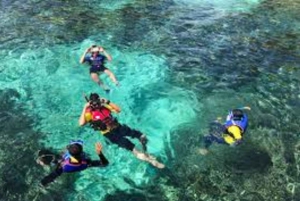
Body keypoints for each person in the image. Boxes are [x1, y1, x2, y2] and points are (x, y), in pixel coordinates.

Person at [79, 93, 165, 169]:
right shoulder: (89, 113)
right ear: (90, 103)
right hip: (109, 134)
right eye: (94, 103)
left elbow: (118, 110)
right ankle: (151, 161)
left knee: (141, 136)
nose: (96, 105)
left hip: (119, 127)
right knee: (132, 148)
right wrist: (84, 108)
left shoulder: (104, 106)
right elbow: (81, 123)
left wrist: (107, 101)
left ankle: (145, 150)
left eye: (97, 102)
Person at [37, 140, 109, 187]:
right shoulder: (86, 162)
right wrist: (99, 153)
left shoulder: (63, 166)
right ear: (81, 152)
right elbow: (105, 163)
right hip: (79, 167)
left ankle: (44, 160)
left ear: (69, 153)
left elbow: (51, 176)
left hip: (67, 167)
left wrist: (42, 183)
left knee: (50, 155)